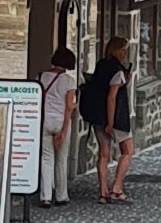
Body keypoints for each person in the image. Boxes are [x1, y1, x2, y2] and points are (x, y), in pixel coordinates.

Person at [81, 37, 135, 204]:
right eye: (123, 50)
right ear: (116, 50)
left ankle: (102, 191)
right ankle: (116, 188)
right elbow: (111, 98)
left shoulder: (101, 65)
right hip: (115, 118)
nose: (125, 54)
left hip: (97, 115)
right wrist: (110, 123)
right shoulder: (117, 71)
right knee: (127, 150)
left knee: (103, 154)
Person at [38, 43, 79, 206]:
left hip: (45, 121)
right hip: (61, 121)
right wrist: (63, 130)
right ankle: (61, 195)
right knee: (61, 159)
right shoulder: (69, 81)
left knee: (46, 159)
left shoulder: (41, 77)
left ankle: (46, 196)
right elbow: (69, 106)